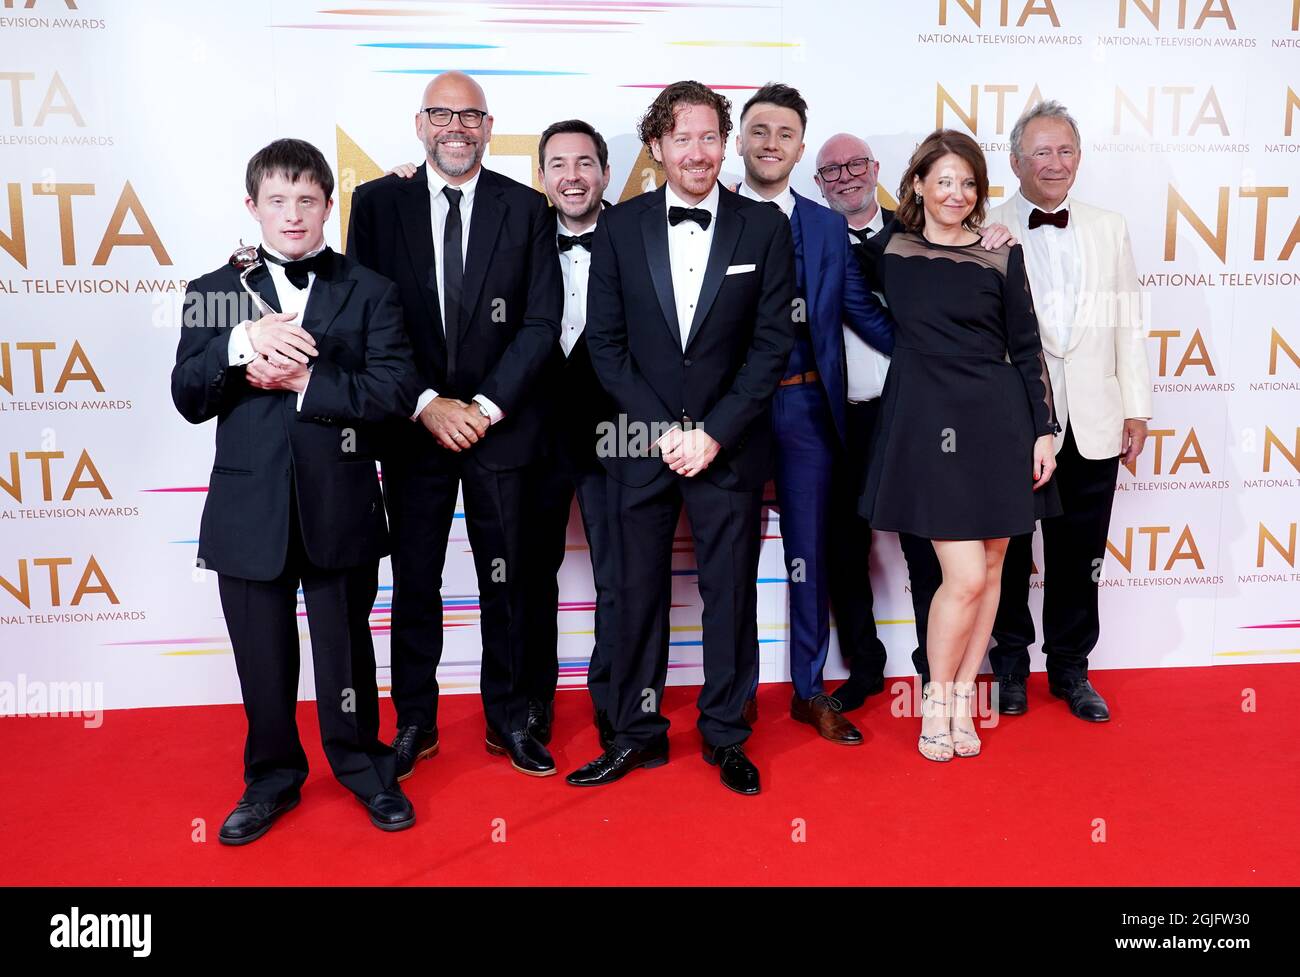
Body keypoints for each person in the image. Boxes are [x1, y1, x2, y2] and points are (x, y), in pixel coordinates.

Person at [171, 138, 420, 843]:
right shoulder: (213, 292)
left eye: (307, 200)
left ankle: (366, 768)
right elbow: (189, 395)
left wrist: (311, 382)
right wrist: (238, 345)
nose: (292, 214)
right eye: (277, 200)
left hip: (339, 506)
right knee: (263, 659)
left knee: (346, 654)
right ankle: (272, 778)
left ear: (327, 206)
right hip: (248, 512)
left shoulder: (370, 289)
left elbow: (396, 391)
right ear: (252, 207)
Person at [569, 80, 796, 795]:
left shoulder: (763, 228)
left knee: (729, 596)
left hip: (727, 450)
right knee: (635, 594)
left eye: (709, 137)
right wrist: (668, 432)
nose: (697, 152)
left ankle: (727, 733)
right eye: (682, 138)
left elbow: (770, 347)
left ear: (723, 142)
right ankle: (635, 733)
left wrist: (715, 434)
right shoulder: (619, 226)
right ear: (658, 146)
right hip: (642, 444)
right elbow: (606, 348)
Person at [346, 72, 564, 780]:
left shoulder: (526, 208)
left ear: (489, 126)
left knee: (510, 580)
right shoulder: (377, 205)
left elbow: (539, 323)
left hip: (502, 428)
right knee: (416, 579)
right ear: (419, 124)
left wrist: (484, 407)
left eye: (469, 115)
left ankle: (510, 721)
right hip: (414, 430)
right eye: (442, 113)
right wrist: (427, 403)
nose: (456, 127)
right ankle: (414, 720)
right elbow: (365, 324)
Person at [907, 101, 1150, 721]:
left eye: (1065, 150)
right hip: (1011, 421)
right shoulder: (988, 227)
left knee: (1080, 552)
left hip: (1095, 414)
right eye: (1040, 151)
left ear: (1080, 157)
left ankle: (1070, 669)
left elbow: (1129, 322)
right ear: (1014, 161)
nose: (1054, 162)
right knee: (1005, 555)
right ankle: (1010, 666)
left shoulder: (1109, 226)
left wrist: (1136, 406)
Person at [860, 129, 1061, 762]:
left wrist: (1043, 430)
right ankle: (937, 702)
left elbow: (1026, 349)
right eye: (943, 180)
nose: (956, 193)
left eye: (968, 182)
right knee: (965, 573)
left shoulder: (1001, 253)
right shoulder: (890, 246)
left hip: (998, 421)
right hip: (927, 425)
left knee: (997, 562)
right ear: (917, 184)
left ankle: (962, 700)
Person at [813, 132, 1013, 713]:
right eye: (831, 171)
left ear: (878, 170)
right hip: (839, 413)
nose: (845, 176)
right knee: (844, 546)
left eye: (855, 165)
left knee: (933, 550)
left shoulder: (917, 231)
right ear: (818, 181)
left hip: (920, 411)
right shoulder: (810, 236)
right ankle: (863, 668)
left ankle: (937, 676)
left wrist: (995, 234)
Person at [731, 86, 894, 745]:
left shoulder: (826, 227)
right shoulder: (709, 215)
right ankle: (733, 693)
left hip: (805, 405)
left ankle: (808, 688)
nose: (772, 143)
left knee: (811, 556)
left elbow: (866, 313)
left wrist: (954, 354)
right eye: (760, 130)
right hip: (729, 414)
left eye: (786, 133)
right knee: (731, 555)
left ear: (801, 146)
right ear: (739, 140)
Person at [521, 120, 620, 751]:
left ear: (606, 174)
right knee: (531, 576)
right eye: (558, 164)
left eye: (586, 163)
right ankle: (532, 709)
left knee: (621, 575)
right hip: (532, 436)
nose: (573, 176)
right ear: (542, 177)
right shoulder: (516, 235)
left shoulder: (638, 233)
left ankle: (616, 705)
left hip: (617, 435)